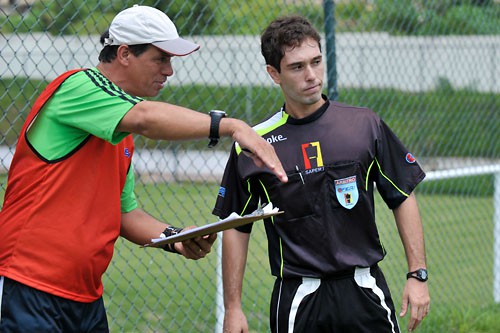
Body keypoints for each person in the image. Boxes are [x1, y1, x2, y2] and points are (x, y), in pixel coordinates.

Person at [0, 5, 288, 332]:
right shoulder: (78, 87)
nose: (169, 71)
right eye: (160, 59)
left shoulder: (121, 130)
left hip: (84, 296)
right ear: (124, 54)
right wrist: (232, 126)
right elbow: (147, 118)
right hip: (27, 284)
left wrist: (175, 238)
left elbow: (124, 214)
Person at [213, 15, 430, 333]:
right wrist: (233, 308)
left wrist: (417, 274)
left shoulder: (364, 125)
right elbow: (235, 226)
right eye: (297, 67)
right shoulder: (253, 144)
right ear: (274, 74)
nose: (312, 75)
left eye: (316, 62)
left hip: (364, 288)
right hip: (299, 297)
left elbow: (402, 195)